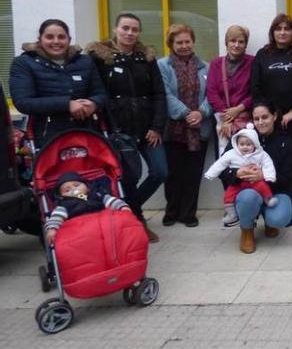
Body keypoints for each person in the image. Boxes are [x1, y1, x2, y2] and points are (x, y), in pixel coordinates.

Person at [86, 13, 167, 243]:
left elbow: (158, 94)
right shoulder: (99, 58)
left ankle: (128, 208)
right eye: (125, 28)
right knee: (130, 177)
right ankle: (137, 219)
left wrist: (156, 126)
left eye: (134, 29)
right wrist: (111, 128)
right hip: (119, 130)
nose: (130, 33)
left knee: (160, 171)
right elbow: (98, 94)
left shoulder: (146, 58)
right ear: (115, 29)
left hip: (148, 128)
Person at [251, 14, 292, 224]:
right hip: (270, 122)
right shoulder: (263, 55)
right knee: (268, 161)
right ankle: (269, 203)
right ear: (273, 32)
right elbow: (255, 87)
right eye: (278, 29)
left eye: (286, 29)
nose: (282, 32)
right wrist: (270, 115)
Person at [9, 19, 106, 146]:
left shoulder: (85, 61)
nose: (56, 41)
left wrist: (94, 103)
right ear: (40, 39)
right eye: (49, 37)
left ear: (69, 39)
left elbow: (101, 94)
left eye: (61, 37)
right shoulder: (23, 63)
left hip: (87, 133)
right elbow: (23, 102)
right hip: (47, 137)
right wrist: (67, 104)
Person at [218, 102, 292, 254]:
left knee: (279, 218)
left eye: (265, 117)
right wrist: (237, 173)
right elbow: (221, 169)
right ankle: (247, 231)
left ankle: (269, 221)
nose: (260, 122)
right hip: (246, 192)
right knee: (248, 197)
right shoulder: (241, 139)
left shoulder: (285, 142)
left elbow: (291, 177)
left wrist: (265, 176)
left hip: (275, 193)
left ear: (274, 117)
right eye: (256, 118)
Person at [157, 24, 213, 228]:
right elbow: (165, 94)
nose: (183, 46)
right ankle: (172, 211)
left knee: (193, 173)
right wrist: (187, 113)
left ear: (193, 42)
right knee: (173, 174)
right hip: (173, 129)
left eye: (187, 41)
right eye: (178, 42)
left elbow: (212, 95)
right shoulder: (162, 66)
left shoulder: (206, 67)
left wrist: (201, 112)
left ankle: (189, 213)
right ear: (171, 44)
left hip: (199, 129)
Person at [204, 124, 277, 227]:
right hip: (238, 183)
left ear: (255, 144)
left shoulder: (261, 154)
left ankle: (268, 199)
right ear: (236, 144)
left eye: (248, 144)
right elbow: (220, 163)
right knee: (228, 195)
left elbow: (268, 164)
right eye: (241, 144)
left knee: (263, 186)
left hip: (255, 181)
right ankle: (232, 214)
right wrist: (210, 174)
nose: (245, 147)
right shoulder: (232, 153)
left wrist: (269, 176)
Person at [43, 171, 131, 246]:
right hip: (80, 229)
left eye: (76, 185)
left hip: (104, 222)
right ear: (62, 196)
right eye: (67, 190)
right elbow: (56, 217)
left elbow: (111, 201)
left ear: (87, 186)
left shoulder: (97, 195)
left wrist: (122, 207)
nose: (74, 190)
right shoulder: (64, 205)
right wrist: (52, 228)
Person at [206, 25, 255, 152]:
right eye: (233, 41)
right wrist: (226, 118)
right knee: (224, 159)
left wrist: (239, 109)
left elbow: (256, 91)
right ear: (226, 43)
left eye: (241, 42)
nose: (236, 45)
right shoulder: (216, 64)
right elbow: (212, 92)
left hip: (245, 120)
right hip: (222, 121)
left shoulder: (253, 63)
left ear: (245, 44)